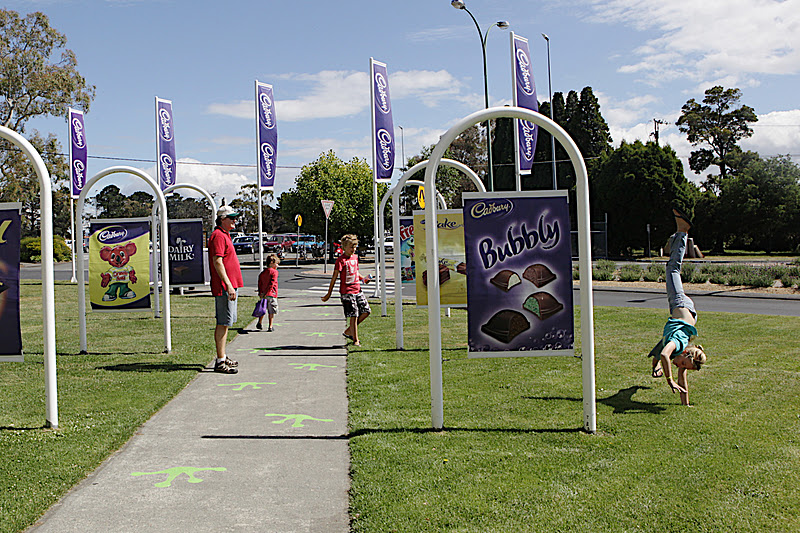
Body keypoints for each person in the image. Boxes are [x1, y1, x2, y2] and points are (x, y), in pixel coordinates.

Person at [648, 207, 708, 405]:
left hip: (686, 312)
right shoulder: (679, 344)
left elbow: (682, 379)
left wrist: (685, 402)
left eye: (683, 366)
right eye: (682, 363)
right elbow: (666, 353)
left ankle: (677, 235)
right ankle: (682, 231)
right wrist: (669, 380)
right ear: (686, 352)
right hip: (680, 304)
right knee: (673, 268)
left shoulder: (682, 352)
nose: (679, 365)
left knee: (663, 342)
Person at [208, 205, 244, 374]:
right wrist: (228, 285)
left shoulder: (225, 235)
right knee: (223, 322)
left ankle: (223, 355)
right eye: (232, 218)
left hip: (231, 285)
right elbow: (218, 261)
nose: (235, 221)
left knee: (227, 322)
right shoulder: (218, 236)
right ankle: (220, 361)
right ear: (223, 219)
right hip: (224, 287)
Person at [321, 234, 371, 346]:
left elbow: (355, 272)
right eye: (351, 247)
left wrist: (363, 279)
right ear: (344, 247)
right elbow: (334, 277)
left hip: (357, 289)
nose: (353, 249)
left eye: (354, 247)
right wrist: (329, 293)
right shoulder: (340, 260)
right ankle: (355, 340)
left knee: (366, 311)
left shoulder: (355, 258)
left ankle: (349, 331)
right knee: (354, 315)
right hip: (347, 292)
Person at [254, 253, 280, 331]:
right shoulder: (274, 272)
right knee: (271, 311)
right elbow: (272, 283)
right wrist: (267, 291)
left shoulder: (263, 273)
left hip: (263, 294)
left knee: (262, 308)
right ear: (272, 263)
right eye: (277, 264)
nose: (277, 266)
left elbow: (260, 283)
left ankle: (260, 322)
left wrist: (261, 292)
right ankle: (270, 326)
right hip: (271, 294)